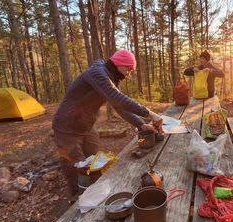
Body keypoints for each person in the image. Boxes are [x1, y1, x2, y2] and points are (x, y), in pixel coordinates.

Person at [52, 50, 163, 195]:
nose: (129, 73)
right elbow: (118, 98)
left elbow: (120, 108)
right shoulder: (97, 74)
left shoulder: (110, 78)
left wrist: (141, 125)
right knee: (76, 165)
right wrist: (149, 113)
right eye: (128, 69)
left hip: (86, 125)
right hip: (67, 126)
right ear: (119, 64)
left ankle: (97, 192)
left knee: (96, 159)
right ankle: (77, 198)